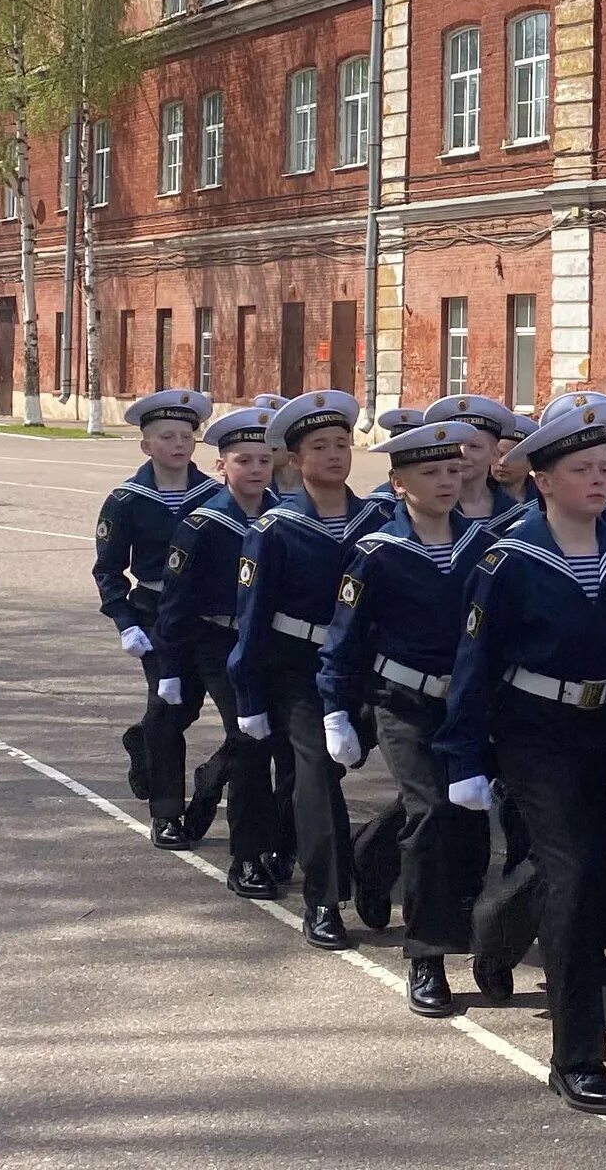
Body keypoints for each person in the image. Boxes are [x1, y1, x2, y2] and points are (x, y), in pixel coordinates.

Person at [440, 393, 606, 1111]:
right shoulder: (509, 558)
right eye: (583, 469)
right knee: (573, 868)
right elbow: (474, 664)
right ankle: (578, 1056)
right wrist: (464, 756)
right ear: (544, 479)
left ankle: (495, 934)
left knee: (579, 860)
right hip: (534, 733)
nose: (600, 480)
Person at [318, 419, 499, 1016]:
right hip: (402, 701)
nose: (448, 481)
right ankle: (426, 956)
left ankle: (374, 857)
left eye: (453, 469)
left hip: (469, 706)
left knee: (466, 821)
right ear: (398, 484)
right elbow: (344, 641)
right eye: (431, 473)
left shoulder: (484, 547)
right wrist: (337, 710)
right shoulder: (376, 553)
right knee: (435, 812)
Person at [226, 391, 393, 952]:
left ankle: (329, 852)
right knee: (317, 772)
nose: (335, 455)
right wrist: (248, 694)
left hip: (365, 670)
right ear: (295, 460)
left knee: (313, 780)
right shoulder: (275, 529)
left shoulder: (380, 519)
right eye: (319, 446)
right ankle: (324, 900)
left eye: (343, 444)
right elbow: (251, 620)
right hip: (297, 672)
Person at [155, 405, 288, 899]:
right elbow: (174, 600)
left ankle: (214, 781)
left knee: (270, 740)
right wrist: (171, 667)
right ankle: (247, 856)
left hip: (272, 641)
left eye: (263, 461)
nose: (255, 470)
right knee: (250, 738)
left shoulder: (286, 517)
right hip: (217, 643)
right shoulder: (203, 523)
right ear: (222, 466)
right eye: (244, 461)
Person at [104, 389, 230, 847]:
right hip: (155, 616)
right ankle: (168, 813)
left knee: (219, 712)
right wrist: (126, 622)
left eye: (186, 436)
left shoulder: (217, 495)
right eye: (166, 437)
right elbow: (108, 569)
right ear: (146, 446)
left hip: (211, 618)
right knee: (170, 706)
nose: (179, 445)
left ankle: (155, 745)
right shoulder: (127, 500)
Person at [427, 394, 523, 523]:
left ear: (494, 455)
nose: (462, 453)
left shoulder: (515, 515)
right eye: (455, 445)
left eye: (474, 446)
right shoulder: (427, 510)